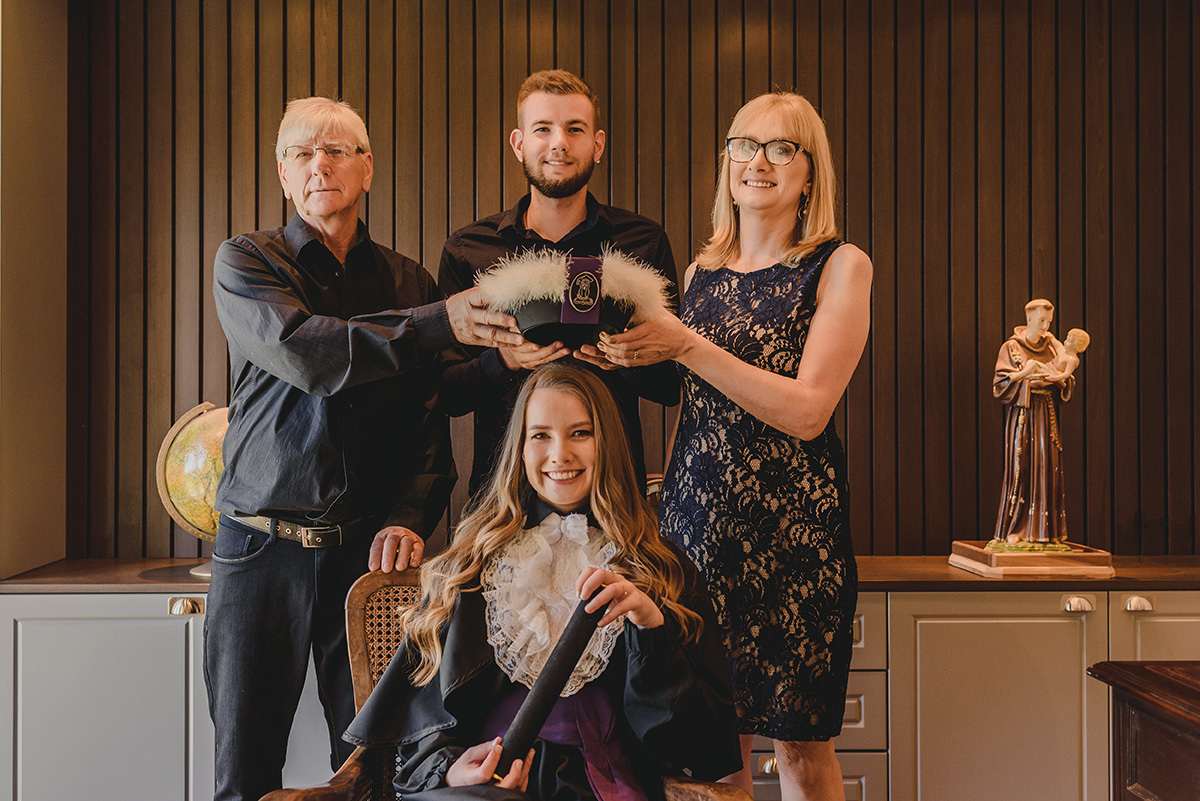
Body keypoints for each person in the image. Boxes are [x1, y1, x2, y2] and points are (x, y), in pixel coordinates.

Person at [208, 96, 521, 801]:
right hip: (258, 552)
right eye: (301, 153)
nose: (319, 165)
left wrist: (410, 517)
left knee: (377, 767)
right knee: (243, 768)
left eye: (336, 150)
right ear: (284, 174)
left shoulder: (409, 281)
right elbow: (307, 352)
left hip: (366, 559)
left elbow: (428, 425)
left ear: (367, 169)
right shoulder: (247, 261)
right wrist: (436, 323)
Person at [597, 92, 873, 801]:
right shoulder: (700, 274)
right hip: (697, 532)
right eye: (745, 145)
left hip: (795, 538)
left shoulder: (840, 265)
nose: (759, 161)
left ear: (809, 172)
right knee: (717, 751)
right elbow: (696, 407)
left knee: (803, 749)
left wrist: (687, 344)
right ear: (727, 162)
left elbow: (809, 411)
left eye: (781, 148)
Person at [344, 363, 742, 800]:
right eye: (540, 435)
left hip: (600, 784)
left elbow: (694, 745)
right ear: (519, 449)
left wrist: (651, 630)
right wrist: (452, 771)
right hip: (483, 786)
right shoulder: (469, 565)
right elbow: (424, 715)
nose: (559, 454)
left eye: (580, 433)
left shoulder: (662, 569)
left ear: (608, 443)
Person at [438, 69, 679, 495]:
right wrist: (505, 360)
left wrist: (627, 361)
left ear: (597, 145)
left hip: (613, 493)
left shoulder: (642, 242)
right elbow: (447, 393)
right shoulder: (468, 249)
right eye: (543, 129)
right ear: (519, 143)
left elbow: (671, 385)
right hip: (504, 497)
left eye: (575, 128)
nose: (559, 142)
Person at [992, 300, 1080, 545]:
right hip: (1023, 416)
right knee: (1023, 469)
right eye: (1041, 320)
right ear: (1029, 319)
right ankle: (1017, 529)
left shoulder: (1052, 346)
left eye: (1048, 321)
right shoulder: (1011, 347)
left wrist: (1056, 380)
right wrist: (1028, 381)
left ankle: (1045, 532)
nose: (1045, 326)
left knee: (1047, 467)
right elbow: (1000, 384)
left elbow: (1066, 377)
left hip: (1046, 415)